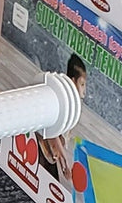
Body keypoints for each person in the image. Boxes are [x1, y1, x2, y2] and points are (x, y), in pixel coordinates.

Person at [37, 53, 87, 183]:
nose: (84, 90)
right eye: (82, 84)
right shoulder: (64, 103)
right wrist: (65, 162)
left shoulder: (72, 106)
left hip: (50, 154)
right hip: (43, 151)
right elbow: (54, 134)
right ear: (73, 81)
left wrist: (63, 163)